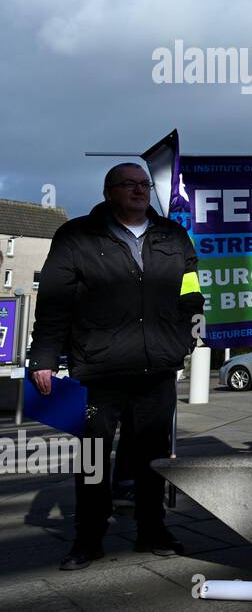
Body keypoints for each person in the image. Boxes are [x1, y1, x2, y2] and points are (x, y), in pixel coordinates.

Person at [30, 163, 204, 569]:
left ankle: (152, 529)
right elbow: (54, 301)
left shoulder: (173, 236)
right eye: (130, 184)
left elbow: (192, 291)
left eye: (144, 184)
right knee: (92, 455)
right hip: (98, 370)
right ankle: (88, 538)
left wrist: (184, 338)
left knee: (154, 456)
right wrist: (42, 357)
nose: (140, 190)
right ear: (109, 192)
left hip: (156, 369)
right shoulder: (76, 236)